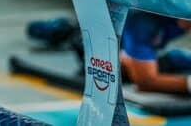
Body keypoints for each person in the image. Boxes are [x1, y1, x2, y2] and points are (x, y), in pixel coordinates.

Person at [27, 13, 191, 95]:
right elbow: (145, 81)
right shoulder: (144, 22)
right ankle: (55, 29)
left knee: (177, 58)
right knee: (63, 31)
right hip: (94, 43)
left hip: (140, 45)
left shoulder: (179, 13)